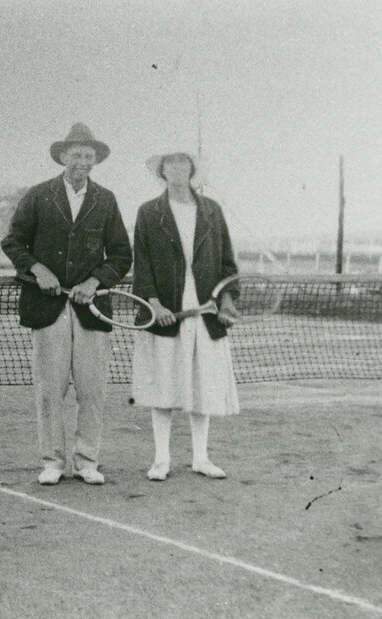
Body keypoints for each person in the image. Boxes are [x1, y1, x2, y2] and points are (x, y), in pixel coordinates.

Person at [1, 123, 132, 486]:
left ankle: (87, 462)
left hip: (92, 310)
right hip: (47, 307)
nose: (82, 162)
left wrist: (94, 282)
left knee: (91, 391)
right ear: (63, 156)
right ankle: (53, 462)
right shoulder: (38, 195)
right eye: (76, 155)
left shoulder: (106, 199)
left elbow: (121, 254)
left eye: (89, 156)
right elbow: (13, 242)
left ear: (95, 160)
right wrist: (38, 269)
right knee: (50, 391)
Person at [131, 151, 240, 482]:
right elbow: (142, 264)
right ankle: (161, 460)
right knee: (163, 389)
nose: (177, 168)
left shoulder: (212, 210)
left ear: (191, 169)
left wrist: (226, 302)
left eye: (183, 163)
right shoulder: (148, 212)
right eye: (170, 163)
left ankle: (201, 459)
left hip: (206, 315)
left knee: (202, 387)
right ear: (162, 170)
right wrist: (155, 305)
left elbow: (227, 264)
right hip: (165, 314)